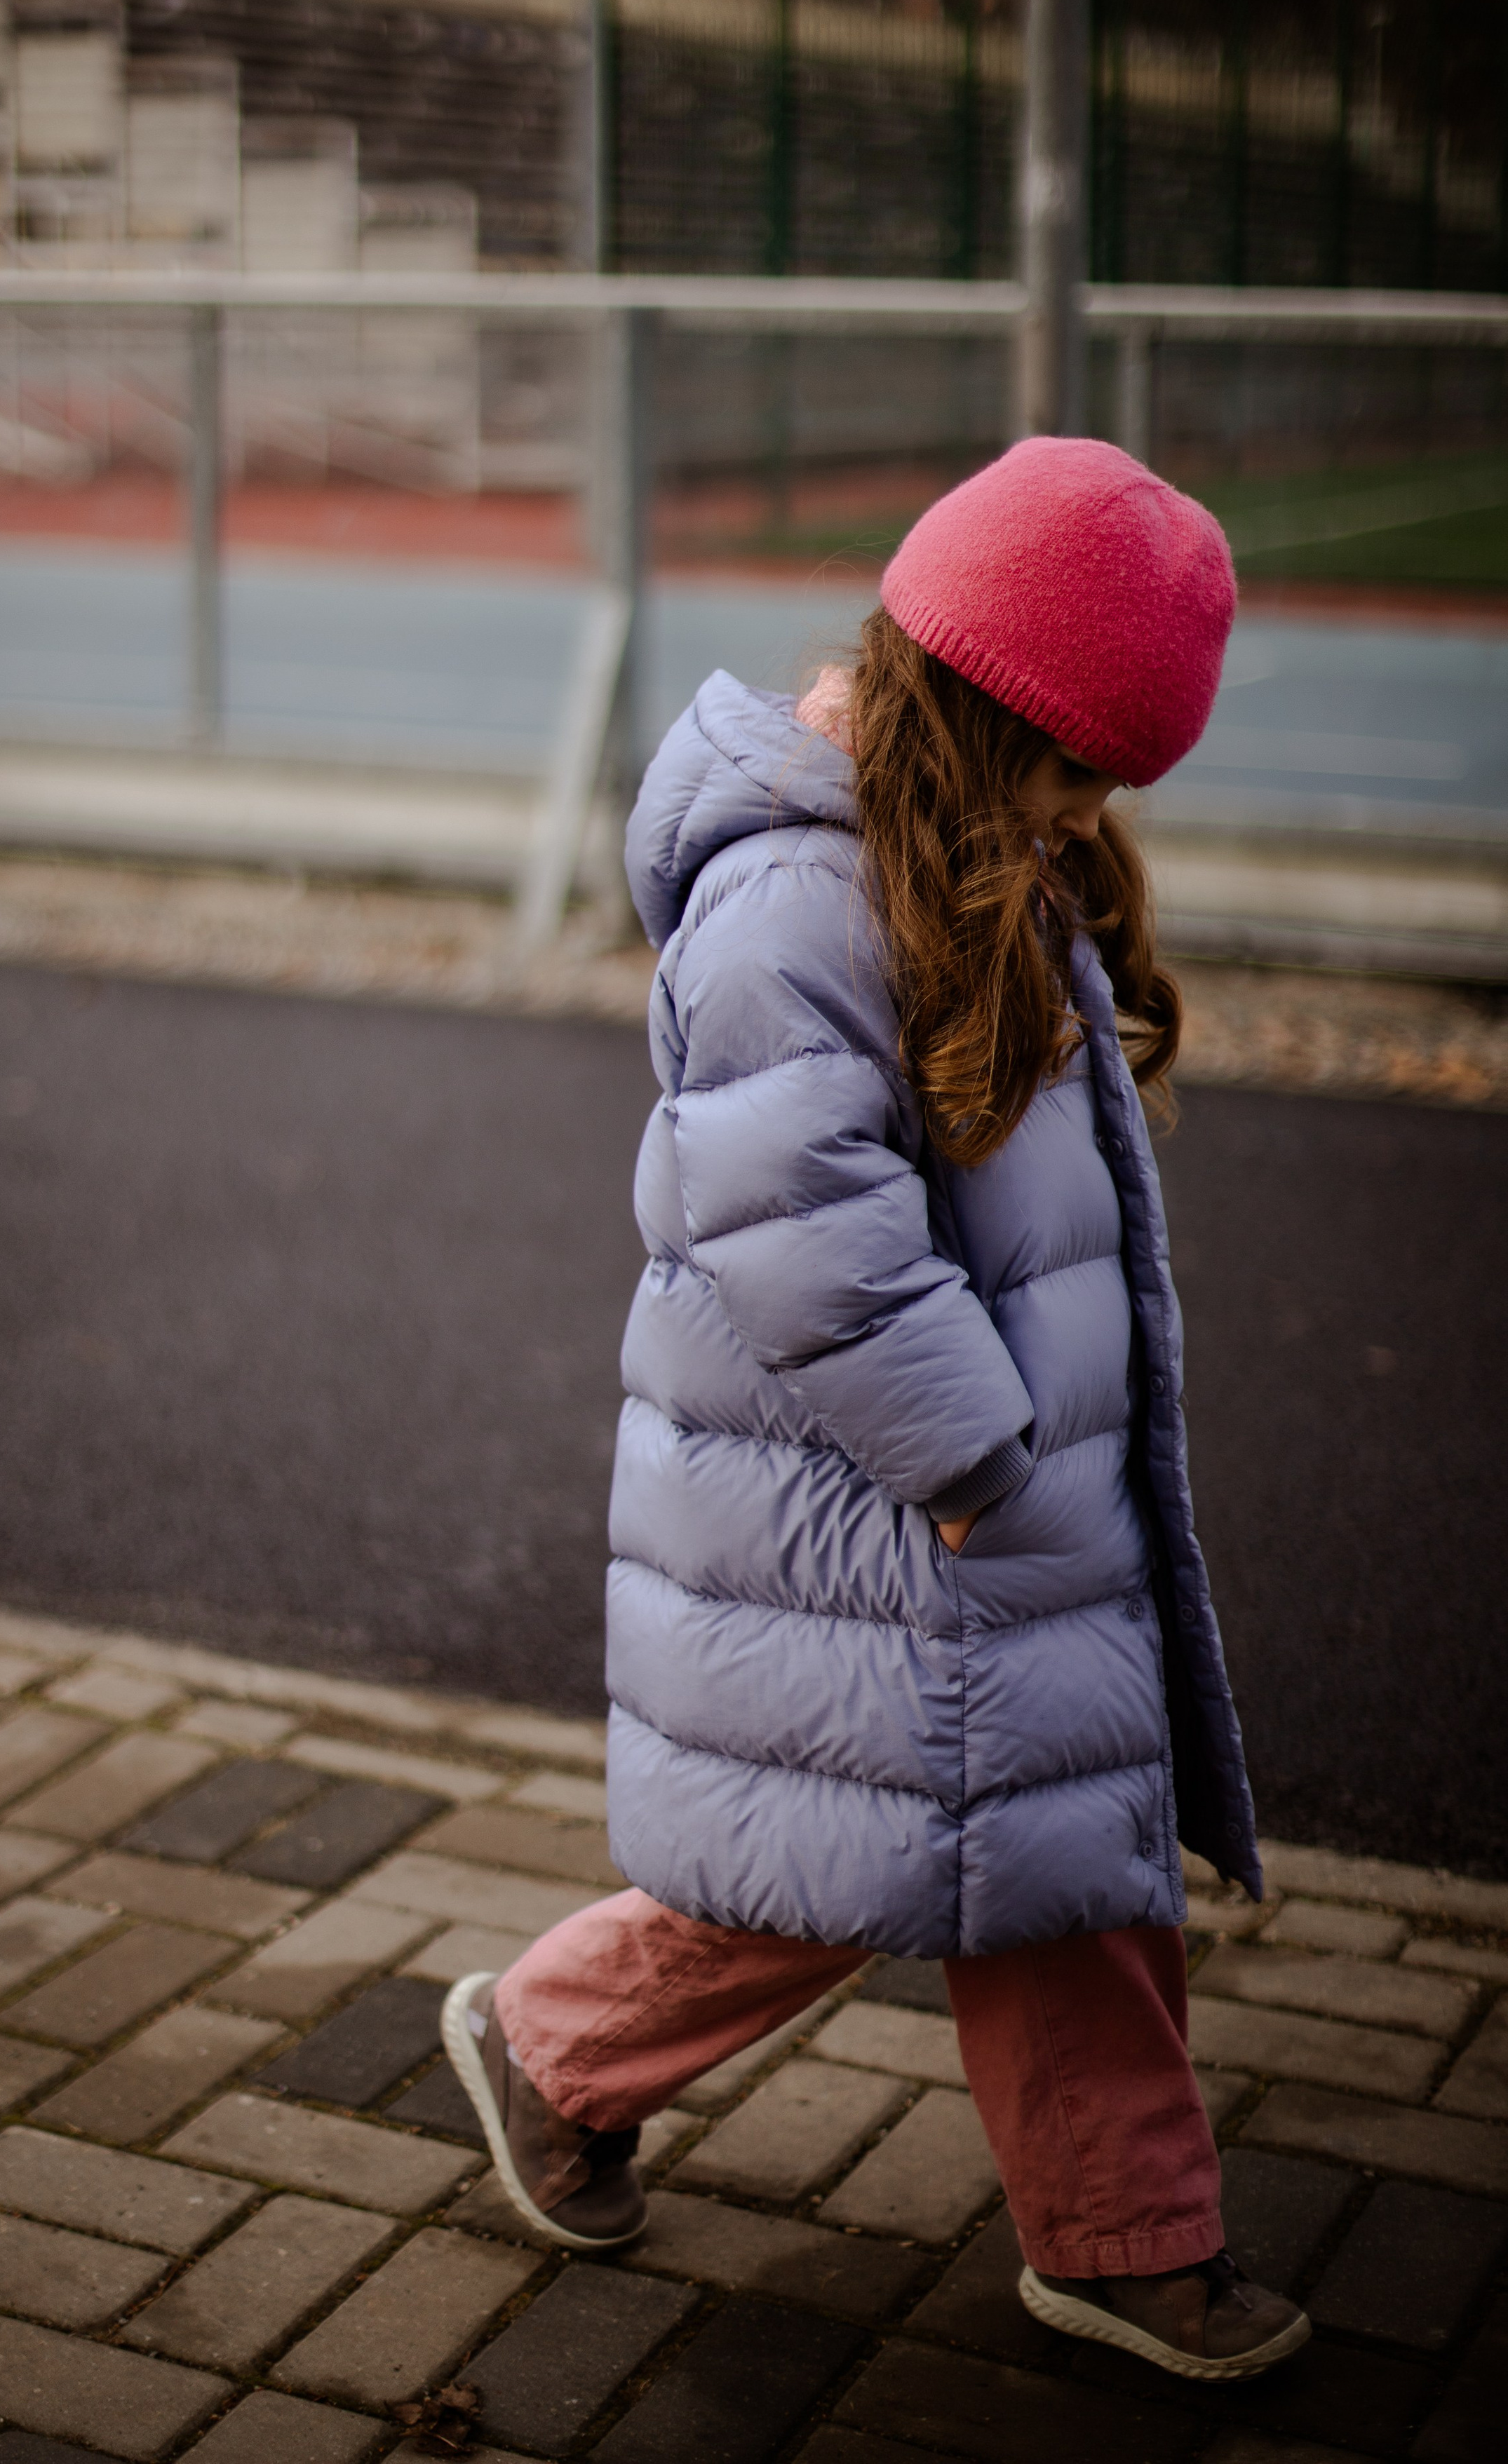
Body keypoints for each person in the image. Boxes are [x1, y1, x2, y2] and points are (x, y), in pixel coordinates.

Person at [443, 438, 1309, 2385]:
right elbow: (797, 1227)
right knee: (851, 1860)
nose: (1091, 818)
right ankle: (549, 2040)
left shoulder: (973, 851)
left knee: (1048, 1839)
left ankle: (1124, 2233)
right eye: (1077, 767)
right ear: (980, 704)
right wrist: (977, 1452)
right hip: (881, 1493)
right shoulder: (793, 900)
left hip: (982, 1472)